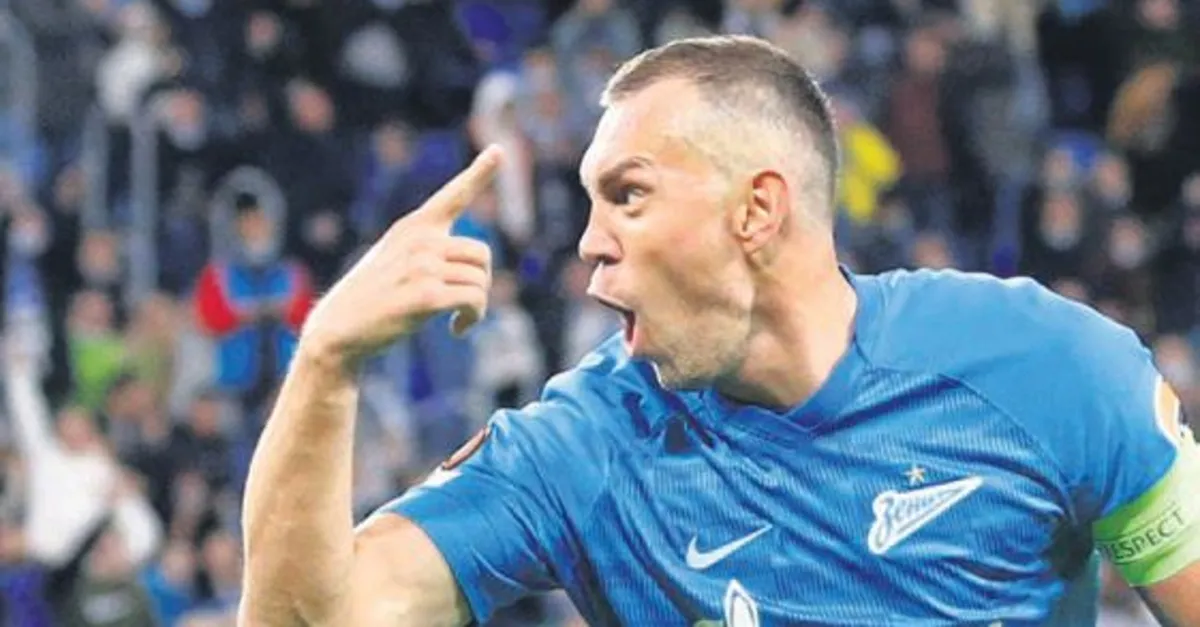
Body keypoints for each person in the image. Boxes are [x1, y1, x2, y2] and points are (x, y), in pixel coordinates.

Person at [239, 36, 1200, 626]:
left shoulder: (1047, 369)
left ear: (756, 210)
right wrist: (325, 363)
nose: (589, 242)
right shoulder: (582, 449)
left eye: (628, 195)